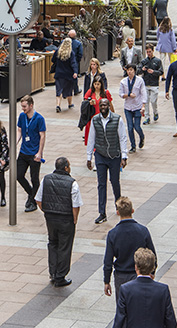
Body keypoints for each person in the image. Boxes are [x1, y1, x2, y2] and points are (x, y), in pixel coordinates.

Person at [36, 157, 82, 287]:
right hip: (66, 218)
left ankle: (53, 272)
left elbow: (38, 199)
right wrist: (74, 219)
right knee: (64, 246)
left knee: (53, 243)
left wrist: (46, 211)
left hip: (50, 217)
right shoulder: (72, 183)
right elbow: (75, 205)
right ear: (66, 167)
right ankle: (60, 275)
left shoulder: (46, 179)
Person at [104, 197, 156, 298]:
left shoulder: (113, 234)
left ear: (118, 212)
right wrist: (151, 272)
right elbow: (153, 255)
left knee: (122, 306)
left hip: (121, 276)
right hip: (139, 274)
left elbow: (108, 261)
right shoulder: (143, 231)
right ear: (132, 211)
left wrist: (107, 281)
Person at [86, 99, 128, 224]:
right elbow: (91, 138)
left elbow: (123, 138)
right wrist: (89, 157)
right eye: (101, 105)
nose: (103, 107)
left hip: (114, 155)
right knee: (101, 184)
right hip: (100, 155)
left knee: (115, 182)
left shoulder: (117, 119)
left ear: (109, 106)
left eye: (105, 105)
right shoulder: (95, 120)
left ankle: (118, 206)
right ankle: (102, 212)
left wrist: (124, 156)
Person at [114, 248, 176, 328]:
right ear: (153, 267)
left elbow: (120, 320)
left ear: (136, 267)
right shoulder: (163, 290)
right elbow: (171, 321)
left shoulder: (125, 289)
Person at [16, 95, 46, 213]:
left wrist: (39, 152)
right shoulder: (22, 116)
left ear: (31, 105)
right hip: (24, 151)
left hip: (34, 153)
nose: (23, 109)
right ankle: (31, 194)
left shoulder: (39, 118)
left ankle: (33, 201)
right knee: (18, 175)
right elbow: (20, 131)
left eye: (24, 106)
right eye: (22, 106)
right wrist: (15, 143)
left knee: (34, 178)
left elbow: (42, 135)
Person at [119, 64, 147, 152]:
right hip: (128, 107)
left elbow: (143, 93)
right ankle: (133, 145)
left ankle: (141, 136)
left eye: (131, 70)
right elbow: (121, 93)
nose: (130, 72)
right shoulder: (123, 81)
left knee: (137, 126)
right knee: (130, 127)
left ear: (134, 71)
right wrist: (127, 95)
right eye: (128, 70)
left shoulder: (139, 81)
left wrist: (143, 106)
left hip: (137, 107)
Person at [83, 76, 113, 145]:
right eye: (95, 84)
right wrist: (89, 102)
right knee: (91, 138)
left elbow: (110, 104)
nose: (96, 86)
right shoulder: (90, 92)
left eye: (98, 84)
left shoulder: (105, 93)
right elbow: (85, 102)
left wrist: (113, 115)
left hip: (102, 117)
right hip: (92, 118)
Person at [52, 38, 79, 113]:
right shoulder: (71, 53)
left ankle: (58, 105)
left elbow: (53, 60)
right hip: (68, 74)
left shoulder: (58, 51)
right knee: (69, 90)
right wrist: (75, 72)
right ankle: (70, 104)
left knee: (58, 90)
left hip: (59, 73)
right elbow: (73, 63)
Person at [140, 45, 162, 125]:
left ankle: (155, 112)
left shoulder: (157, 61)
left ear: (153, 51)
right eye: (147, 52)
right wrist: (142, 70)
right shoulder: (144, 61)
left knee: (153, 101)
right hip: (145, 83)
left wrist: (153, 72)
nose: (148, 53)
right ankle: (147, 117)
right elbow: (138, 70)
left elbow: (161, 72)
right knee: (145, 102)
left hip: (154, 84)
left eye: (150, 51)